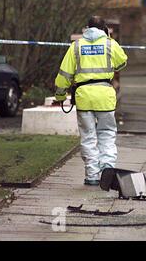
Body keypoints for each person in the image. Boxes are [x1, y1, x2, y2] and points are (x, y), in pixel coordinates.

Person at [54, 16, 128, 186]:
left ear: (86, 28)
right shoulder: (110, 44)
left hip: (84, 96)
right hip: (105, 96)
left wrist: (60, 96)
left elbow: (64, 75)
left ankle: (92, 175)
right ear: (105, 29)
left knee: (88, 137)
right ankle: (107, 172)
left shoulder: (76, 46)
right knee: (107, 135)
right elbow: (122, 62)